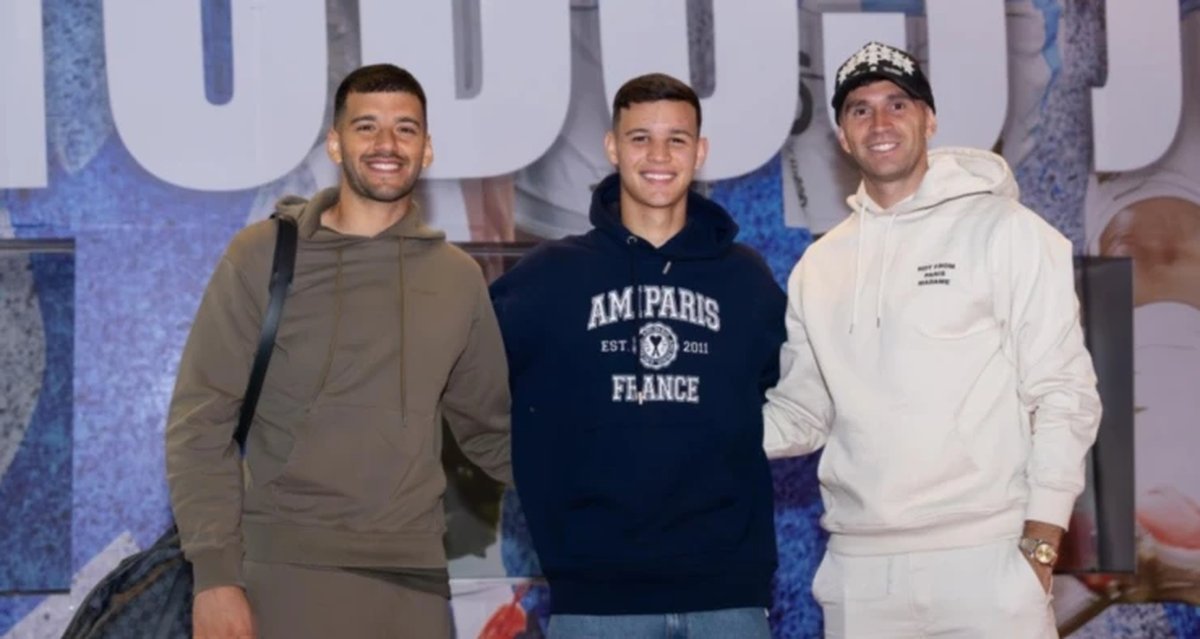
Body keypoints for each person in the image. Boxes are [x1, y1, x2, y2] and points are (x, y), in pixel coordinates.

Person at [762, 41, 1102, 638]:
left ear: (930, 119)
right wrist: (690, 421)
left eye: (899, 103)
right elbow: (802, 413)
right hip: (861, 572)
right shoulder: (819, 265)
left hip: (988, 560)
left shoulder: (1007, 232)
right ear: (842, 135)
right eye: (860, 109)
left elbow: (1065, 391)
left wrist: (1043, 538)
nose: (881, 122)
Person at [165, 63, 511, 639]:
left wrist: (619, 481)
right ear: (335, 143)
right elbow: (200, 424)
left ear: (427, 150)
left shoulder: (458, 279)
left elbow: (492, 434)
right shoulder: (263, 255)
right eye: (366, 126)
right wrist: (215, 576)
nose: (386, 144)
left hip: (414, 584)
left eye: (406, 129)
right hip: (281, 573)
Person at [490, 73, 785, 638]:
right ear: (612, 147)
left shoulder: (746, 280)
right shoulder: (549, 278)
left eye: (676, 139)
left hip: (727, 599)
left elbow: (793, 395)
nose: (658, 155)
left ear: (699, 152)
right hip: (596, 603)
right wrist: (538, 471)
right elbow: (468, 386)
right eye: (640, 137)